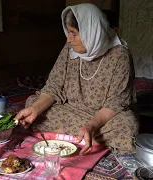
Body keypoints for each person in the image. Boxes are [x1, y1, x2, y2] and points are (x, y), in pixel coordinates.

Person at [15, 3, 139, 154]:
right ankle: (83, 137)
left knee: (127, 124)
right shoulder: (70, 49)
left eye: (74, 33)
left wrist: (91, 125)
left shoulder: (120, 55)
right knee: (33, 103)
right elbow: (54, 85)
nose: (68, 39)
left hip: (103, 116)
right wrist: (35, 109)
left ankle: (71, 133)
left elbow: (116, 102)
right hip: (70, 109)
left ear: (91, 32)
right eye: (68, 32)